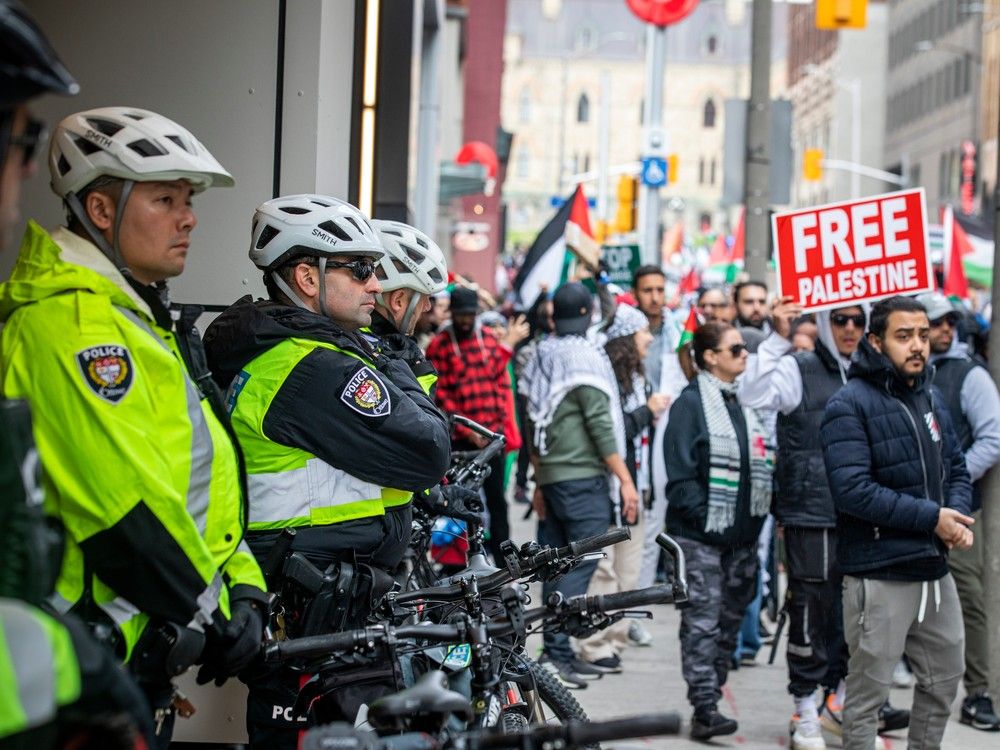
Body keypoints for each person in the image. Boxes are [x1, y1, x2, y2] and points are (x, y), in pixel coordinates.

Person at [0, 106, 267, 746]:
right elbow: (123, 509)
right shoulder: (73, 328)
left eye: (188, 199)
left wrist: (246, 587)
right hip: (88, 647)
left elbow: (201, 484)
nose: (189, 217)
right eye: (165, 198)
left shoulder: (139, 321)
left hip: (142, 641)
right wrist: (219, 616)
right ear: (99, 211)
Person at [202, 194, 451, 748]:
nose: (374, 286)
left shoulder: (312, 349)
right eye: (361, 269)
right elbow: (427, 449)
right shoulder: (310, 367)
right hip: (314, 607)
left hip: (325, 599)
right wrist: (395, 355)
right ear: (307, 278)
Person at [741, 299, 908, 749]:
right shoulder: (799, 368)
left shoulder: (878, 372)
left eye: (859, 320)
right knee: (810, 611)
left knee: (864, 615)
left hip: (866, 514)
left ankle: (843, 704)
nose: (850, 328)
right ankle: (806, 709)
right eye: (840, 319)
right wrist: (777, 336)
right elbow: (751, 393)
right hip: (811, 513)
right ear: (822, 322)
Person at [821, 295, 974, 750]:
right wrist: (934, 519)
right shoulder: (849, 404)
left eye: (923, 336)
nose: (918, 346)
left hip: (932, 568)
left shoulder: (929, 395)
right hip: (879, 571)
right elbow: (853, 492)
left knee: (945, 676)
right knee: (868, 695)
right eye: (904, 336)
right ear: (875, 341)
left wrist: (957, 519)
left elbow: (958, 469)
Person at [519, 282, 638, 689]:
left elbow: (531, 423)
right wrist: (625, 480)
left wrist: (538, 477)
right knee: (581, 565)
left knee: (558, 562)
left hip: (553, 476)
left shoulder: (541, 352)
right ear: (589, 312)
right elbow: (601, 424)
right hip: (582, 479)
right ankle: (554, 653)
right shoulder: (583, 356)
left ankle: (557, 655)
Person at [663, 321, 773, 740]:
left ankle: (712, 692)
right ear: (710, 357)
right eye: (736, 349)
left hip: (742, 541)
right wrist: (709, 517)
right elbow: (681, 479)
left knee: (728, 624)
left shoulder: (742, 402)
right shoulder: (691, 404)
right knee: (702, 625)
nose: (744, 354)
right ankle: (705, 708)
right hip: (701, 539)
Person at [918, 292, 1000, 731]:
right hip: (912, 509)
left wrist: (949, 481)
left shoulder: (969, 376)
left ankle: (979, 691)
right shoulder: (909, 375)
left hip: (959, 509)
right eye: (936, 322)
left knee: (968, 597)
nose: (944, 329)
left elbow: (992, 438)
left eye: (949, 322)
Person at [577, 302, 668, 672]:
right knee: (605, 572)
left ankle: (615, 639)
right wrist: (646, 410)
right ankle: (594, 645)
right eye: (642, 332)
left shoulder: (642, 378)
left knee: (629, 574)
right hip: (613, 490)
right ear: (627, 339)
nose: (649, 338)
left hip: (639, 487)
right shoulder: (608, 379)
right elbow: (614, 435)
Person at [426, 286, 522, 562]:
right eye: (461, 315)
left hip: (492, 439)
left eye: (470, 315)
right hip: (460, 441)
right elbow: (439, 394)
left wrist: (496, 430)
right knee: (459, 503)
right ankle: (459, 563)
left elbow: (499, 383)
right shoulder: (439, 345)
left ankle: (504, 563)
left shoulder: (489, 340)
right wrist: (468, 432)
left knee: (497, 502)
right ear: (453, 314)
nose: (466, 320)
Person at [632, 265, 684, 649]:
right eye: (647, 289)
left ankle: (635, 611)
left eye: (659, 289)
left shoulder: (678, 331)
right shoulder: (627, 328)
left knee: (654, 526)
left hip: (667, 434)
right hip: (634, 432)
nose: (654, 296)